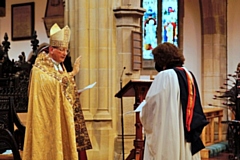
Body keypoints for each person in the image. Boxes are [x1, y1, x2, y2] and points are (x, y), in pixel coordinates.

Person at [22, 23, 92, 160]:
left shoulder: (60, 67)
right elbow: (53, 86)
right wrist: (72, 74)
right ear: (51, 49)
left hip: (60, 115)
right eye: (61, 50)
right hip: (47, 121)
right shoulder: (39, 69)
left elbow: (60, 85)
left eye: (66, 50)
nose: (65, 53)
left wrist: (73, 92)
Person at [140, 42, 209, 160]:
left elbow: (152, 106)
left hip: (167, 131)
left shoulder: (164, 76)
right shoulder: (189, 75)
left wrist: (143, 113)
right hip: (186, 132)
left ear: (161, 59)